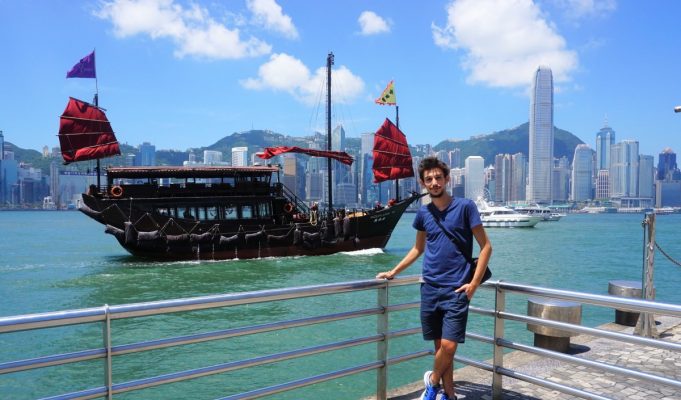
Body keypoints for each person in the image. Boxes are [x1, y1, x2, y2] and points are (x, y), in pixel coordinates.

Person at [376, 156, 492, 400]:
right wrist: (393, 271)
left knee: (449, 346)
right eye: (429, 179)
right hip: (429, 287)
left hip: (457, 289)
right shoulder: (423, 213)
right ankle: (448, 394)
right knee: (440, 348)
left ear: (447, 179)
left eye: (438, 177)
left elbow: (486, 247)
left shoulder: (466, 207)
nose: (434, 182)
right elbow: (418, 249)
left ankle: (432, 381)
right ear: (423, 183)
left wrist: (474, 284)